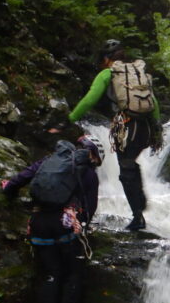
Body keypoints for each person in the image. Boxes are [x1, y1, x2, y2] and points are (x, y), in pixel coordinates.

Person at [2, 135, 102, 303]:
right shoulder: (88, 173)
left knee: (52, 272)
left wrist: (8, 190)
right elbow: (89, 208)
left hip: (39, 223)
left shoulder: (48, 162)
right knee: (73, 273)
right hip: (65, 225)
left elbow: (18, 181)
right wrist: (81, 226)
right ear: (92, 155)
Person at [67, 39, 162, 231]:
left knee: (126, 170)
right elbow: (154, 102)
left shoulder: (108, 74)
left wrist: (70, 118)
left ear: (106, 59)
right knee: (130, 165)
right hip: (145, 128)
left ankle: (138, 216)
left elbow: (89, 100)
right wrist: (157, 130)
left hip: (127, 127)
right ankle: (139, 205)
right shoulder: (138, 74)